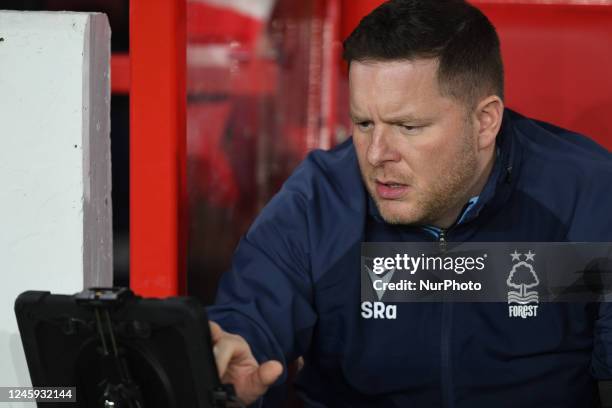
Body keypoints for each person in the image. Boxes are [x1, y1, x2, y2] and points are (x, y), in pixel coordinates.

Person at [207, 0, 612, 406]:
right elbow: (247, 324)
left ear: (485, 121)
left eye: (408, 127)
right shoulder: (320, 202)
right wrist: (230, 360)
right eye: (364, 123)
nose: (376, 154)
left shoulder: (586, 194)